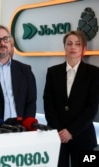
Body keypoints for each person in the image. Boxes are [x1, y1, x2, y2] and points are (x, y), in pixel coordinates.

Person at [43, 30, 99, 167]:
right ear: (65, 47)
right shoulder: (52, 72)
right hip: (57, 137)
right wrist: (60, 131)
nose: (73, 47)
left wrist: (71, 131)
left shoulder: (95, 73)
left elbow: (92, 108)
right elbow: (48, 104)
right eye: (69, 44)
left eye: (77, 44)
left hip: (84, 137)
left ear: (83, 48)